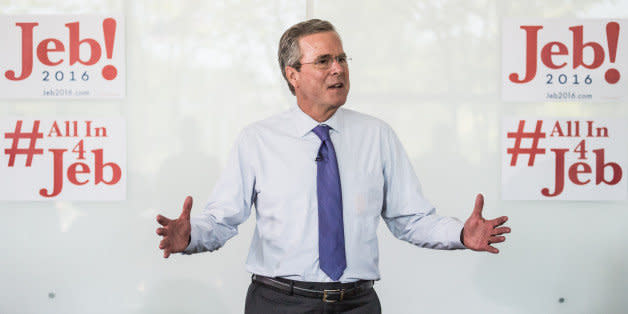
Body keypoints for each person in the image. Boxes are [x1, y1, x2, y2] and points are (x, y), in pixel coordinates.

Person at [156, 19, 510, 313]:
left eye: (341, 58)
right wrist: (189, 237)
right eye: (323, 61)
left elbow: (411, 219)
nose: (338, 68)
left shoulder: (377, 136)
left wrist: (461, 234)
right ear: (292, 74)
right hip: (280, 303)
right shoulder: (257, 140)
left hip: (357, 305)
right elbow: (222, 219)